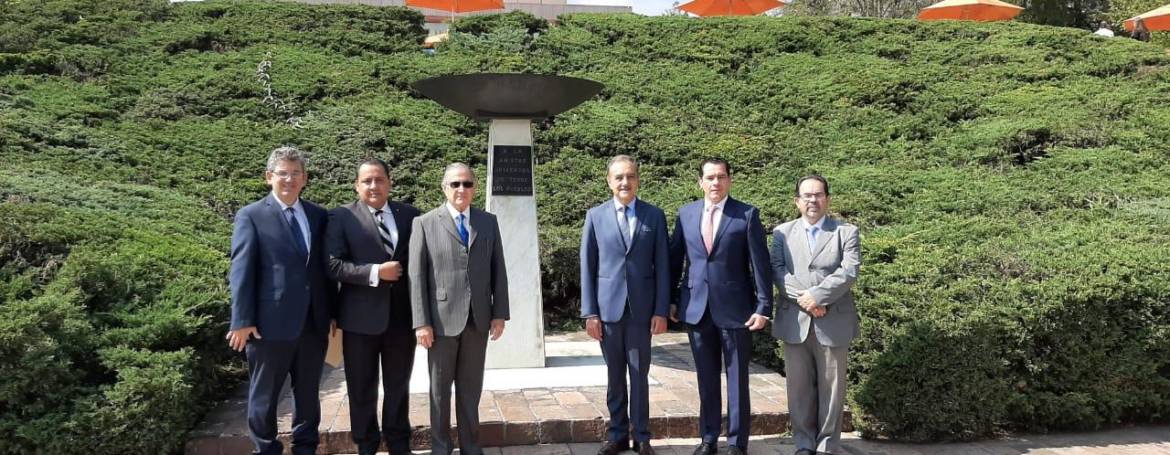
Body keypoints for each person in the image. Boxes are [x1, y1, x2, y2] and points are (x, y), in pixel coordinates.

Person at [226, 146, 336, 455]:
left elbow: (323, 270)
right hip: (267, 325)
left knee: (308, 396)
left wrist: (332, 313)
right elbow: (241, 270)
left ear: (305, 179)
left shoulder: (318, 215)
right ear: (269, 177)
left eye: (295, 174)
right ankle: (265, 448)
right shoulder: (252, 215)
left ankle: (305, 447)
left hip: (312, 324)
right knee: (265, 396)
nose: (289, 179)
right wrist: (241, 319)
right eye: (282, 173)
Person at [669, 158, 772, 455]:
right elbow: (676, 260)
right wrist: (671, 300)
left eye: (721, 177)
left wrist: (763, 306)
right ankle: (709, 437)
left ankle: (737, 443)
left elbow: (759, 265)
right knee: (706, 377)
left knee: (738, 378)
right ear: (700, 182)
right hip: (696, 309)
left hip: (736, 310)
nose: (716, 183)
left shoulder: (747, 215)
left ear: (730, 180)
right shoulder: (686, 214)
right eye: (710, 177)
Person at [409, 162, 509, 455]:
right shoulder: (425, 223)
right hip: (439, 323)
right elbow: (417, 276)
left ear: (475, 188)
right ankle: (440, 447)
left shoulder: (488, 222)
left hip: (477, 320)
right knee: (439, 392)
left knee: (470, 390)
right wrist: (421, 322)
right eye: (455, 184)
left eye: (467, 184)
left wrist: (499, 312)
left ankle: (470, 446)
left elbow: (498, 269)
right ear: (444, 188)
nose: (461, 189)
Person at [325, 158, 420, 455]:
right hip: (358, 321)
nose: (373, 185)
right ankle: (366, 445)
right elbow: (332, 265)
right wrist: (376, 273)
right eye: (366, 181)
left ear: (389, 182)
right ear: (356, 185)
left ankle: (398, 443)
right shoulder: (341, 217)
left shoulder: (411, 216)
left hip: (401, 320)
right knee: (361, 389)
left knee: (398, 387)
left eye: (379, 179)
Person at [580, 155, 670, 455]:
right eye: (618, 177)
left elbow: (663, 266)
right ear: (609, 181)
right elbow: (588, 266)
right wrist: (590, 313)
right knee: (615, 374)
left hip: (642, 312)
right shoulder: (595, 216)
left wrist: (660, 309)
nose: (624, 182)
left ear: (638, 180)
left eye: (630, 176)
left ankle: (641, 435)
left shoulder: (654, 216)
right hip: (607, 311)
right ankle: (617, 433)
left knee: (639, 373)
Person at [770, 175, 861, 455]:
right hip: (795, 320)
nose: (813, 200)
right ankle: (804, 443)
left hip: (832, 320)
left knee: (832, 388)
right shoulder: (782, 232)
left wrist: (818, 296)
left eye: (818, 195)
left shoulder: (846, 232)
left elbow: (849, 271)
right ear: (797, 201)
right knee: (798, 389)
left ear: (827, 199)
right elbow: (777, 270)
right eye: (807, 196)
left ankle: (827, 444)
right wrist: (806, 300)